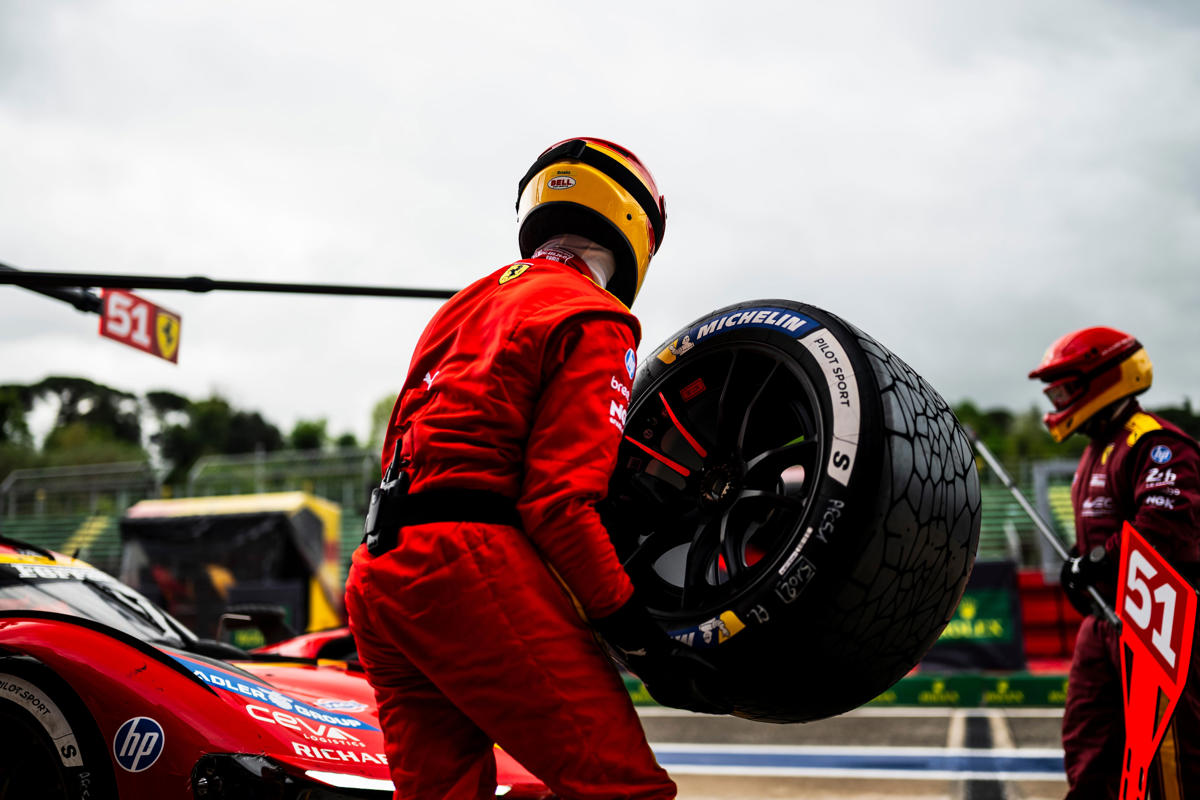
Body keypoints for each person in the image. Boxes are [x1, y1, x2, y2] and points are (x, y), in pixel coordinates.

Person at [344, 138, 723, 800]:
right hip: (466, 566)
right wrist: (642, 642)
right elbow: (559, 505)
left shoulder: (461, 306)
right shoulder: (597, 315)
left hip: (379, 574)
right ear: (637, 228)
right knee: (624, 792)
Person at [1029, 326, 1200, 799]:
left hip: (1158, 622)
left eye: (1064, 389)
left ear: (1105, 378)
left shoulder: (1157, 443)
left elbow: (1163, 529)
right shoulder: (1094, 451)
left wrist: (1098, 562)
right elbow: (1100, 539)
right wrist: (1079, 567)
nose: (1058, 400)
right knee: (1089, 748)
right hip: (1104, 624)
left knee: (1168, 757)